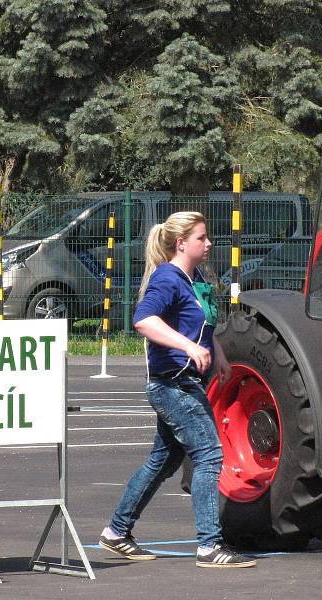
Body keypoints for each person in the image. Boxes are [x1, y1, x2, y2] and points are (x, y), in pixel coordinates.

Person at [100, 211, 257, 568]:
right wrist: (188, 347)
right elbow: (144, 319)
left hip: (185, 380)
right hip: (173, 383)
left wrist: (217, 354)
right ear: (181, 243)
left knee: (164, 459)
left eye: (207, 237)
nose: (209, 243)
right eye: (202, 238)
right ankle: (209, 546)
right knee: (208, 454)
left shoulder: (195, 278)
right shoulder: (167, 278)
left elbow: (200, 324)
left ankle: (116, 532)